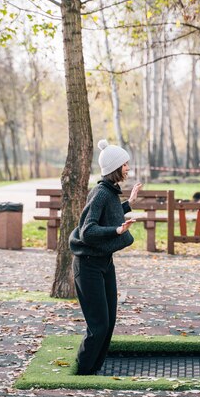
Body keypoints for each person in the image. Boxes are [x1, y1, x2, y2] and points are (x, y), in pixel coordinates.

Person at [69, 139, 142, 375]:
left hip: (104, 263)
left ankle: (93, 369)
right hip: (87, 266)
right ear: (115, 167)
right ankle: (82, 370)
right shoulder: (100, 193)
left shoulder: (110, 193)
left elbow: (108, 216)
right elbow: (87, 231)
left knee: (109, 323)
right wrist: (117, 231)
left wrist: (128, 205)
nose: (128, 168)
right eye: (125, 164)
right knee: (99, 325)